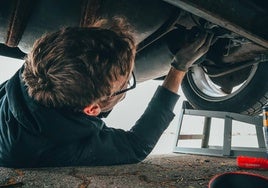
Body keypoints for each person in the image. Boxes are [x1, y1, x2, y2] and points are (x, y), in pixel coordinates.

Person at [0, 18, 212, 168]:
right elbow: (137, 146)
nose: (128, 80)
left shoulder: (41, 65)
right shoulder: (59, 148)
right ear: (92, 109)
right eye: (126, 83)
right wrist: (178, 68)